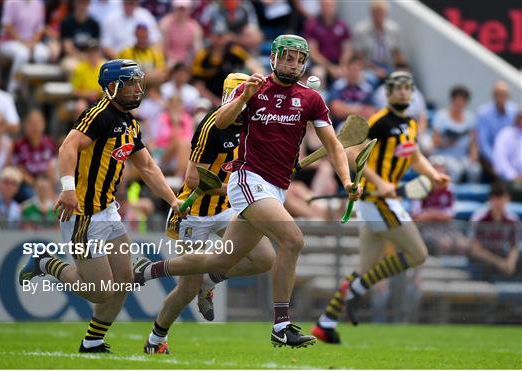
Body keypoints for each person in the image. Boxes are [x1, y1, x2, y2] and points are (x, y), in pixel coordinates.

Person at [134, 34, 360, 348]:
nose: (292, 64)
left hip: (275, 188)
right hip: (247, 181)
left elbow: (333, 145)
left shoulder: (311, 99)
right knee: (292, 239)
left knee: (220, 260)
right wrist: (243, 97)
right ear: (274, 58)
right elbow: (221, 120)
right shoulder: (254, 90)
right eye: (287, 57)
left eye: (298, 59)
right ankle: (281, 326)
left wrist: (347, 180)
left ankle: (148, 270)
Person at [18, 59, 186, 353]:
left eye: (138, 82)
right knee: (99, 291)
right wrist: (68, 189)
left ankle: (92, 341)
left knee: (124, 280)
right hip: (82, 214)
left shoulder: (130, 123)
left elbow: (147, 167)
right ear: (111, 87)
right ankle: (47, 262)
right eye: (130, 83)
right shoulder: (98, 115)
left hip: (107, 211)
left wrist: (173, 200)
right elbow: (67, 147)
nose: (137, 89)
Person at [135, 73, 276, 354]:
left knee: (264, 258)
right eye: (242, 95)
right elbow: (191, 180)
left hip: (228, 209)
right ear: (228, 97)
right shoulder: (213, 125)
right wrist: (237, 189)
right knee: (186, 289)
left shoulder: (255, 124)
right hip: (194, 211)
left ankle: (209, 281)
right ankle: (155, 340)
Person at [312, 71, 450, 344]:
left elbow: (414, 155)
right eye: (396, 88)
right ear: (387, 93)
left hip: (379, 204)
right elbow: (351, 154)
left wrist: (432, 174)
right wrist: (380, 181)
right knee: (418, 254)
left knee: (363, 269)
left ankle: (325, 323)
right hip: (378, 201)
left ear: (411, 93)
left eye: (406, 88)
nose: (402, 92)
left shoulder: (410, 122)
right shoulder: (379, 122)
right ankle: (358, 289)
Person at [468, 182, 520, 282]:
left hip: (503, 258)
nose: (499, 202)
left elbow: (515, 245)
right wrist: (499, 262)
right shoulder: (479, 218)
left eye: (502, 198)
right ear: (490, 199)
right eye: (496, 198)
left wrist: (510, 262)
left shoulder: (513, 220)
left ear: (508, 199)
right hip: (482, 263)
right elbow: (475, 250)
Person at [476, 81, 518, 181]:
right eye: (498, 95)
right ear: (493, 96)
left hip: (511, 157)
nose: (501, 98)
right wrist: (498, 160)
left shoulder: (515, 111)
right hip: (490, 159)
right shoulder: (483, 113)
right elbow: (483, 144)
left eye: (504, 95)